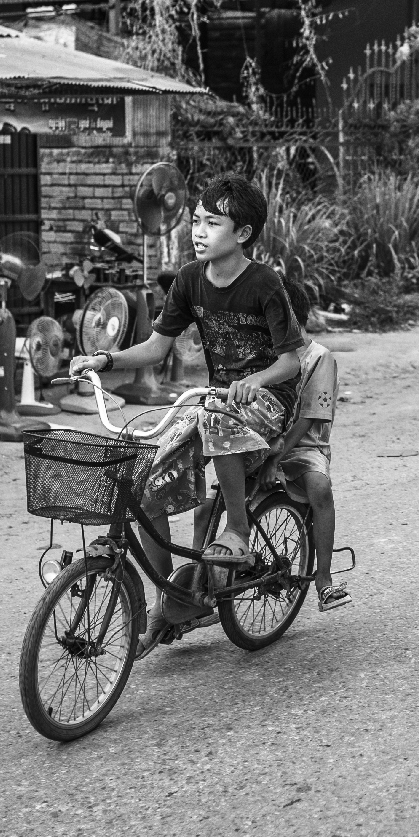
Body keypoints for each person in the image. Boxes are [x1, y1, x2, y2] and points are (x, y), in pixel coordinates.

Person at [67, 174, 303, 617]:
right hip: (215, 398)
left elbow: (292, 360)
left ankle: (237, 530)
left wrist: (256, 380)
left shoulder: (265, 284)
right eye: (196, 221)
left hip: (270, 401)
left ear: (243, 233)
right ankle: (173, 600)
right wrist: (105, 360)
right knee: (146, 485)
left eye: (212, 223)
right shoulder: (190, 279)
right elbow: (156, 347)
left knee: (214, 419)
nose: (198, 231)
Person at [263, 280, 350, 612]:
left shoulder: (319, 357)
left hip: (304, 447)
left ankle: (324, 580)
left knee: (320, 488)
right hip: (264, 442)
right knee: (210, 502)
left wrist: (276, 458)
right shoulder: (267, 354)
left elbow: (310, 417)